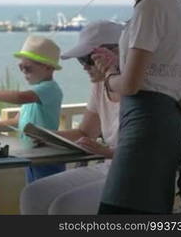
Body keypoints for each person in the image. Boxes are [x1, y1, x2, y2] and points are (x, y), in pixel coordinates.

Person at [93, 0, 181, 214]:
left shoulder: (151, 6)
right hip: (164, 127)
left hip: (145, 131)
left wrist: (110, 75)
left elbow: (132, 84)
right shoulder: (172, 0)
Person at [20, 20, 123, 214]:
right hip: (109, 167)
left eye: (88, 59)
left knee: (64, 207)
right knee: (33, 194)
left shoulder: (139, 86)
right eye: (80, 60)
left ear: (117, 52)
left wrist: (107, 151)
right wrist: (47, 136)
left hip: (137, 175)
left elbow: (151, 152)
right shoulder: (100, 85)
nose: (84, 67)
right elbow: (85, 132)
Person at [0, 36, 64, 183]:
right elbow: (18, 121)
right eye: (20, 67)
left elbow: (19, 97)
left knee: (46, 194)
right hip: (33, 154)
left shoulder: (49, 89)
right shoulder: (35, 92)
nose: (23, 72)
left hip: (48, 154)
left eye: (27, 68)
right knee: (34, 195)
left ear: (48, 67)